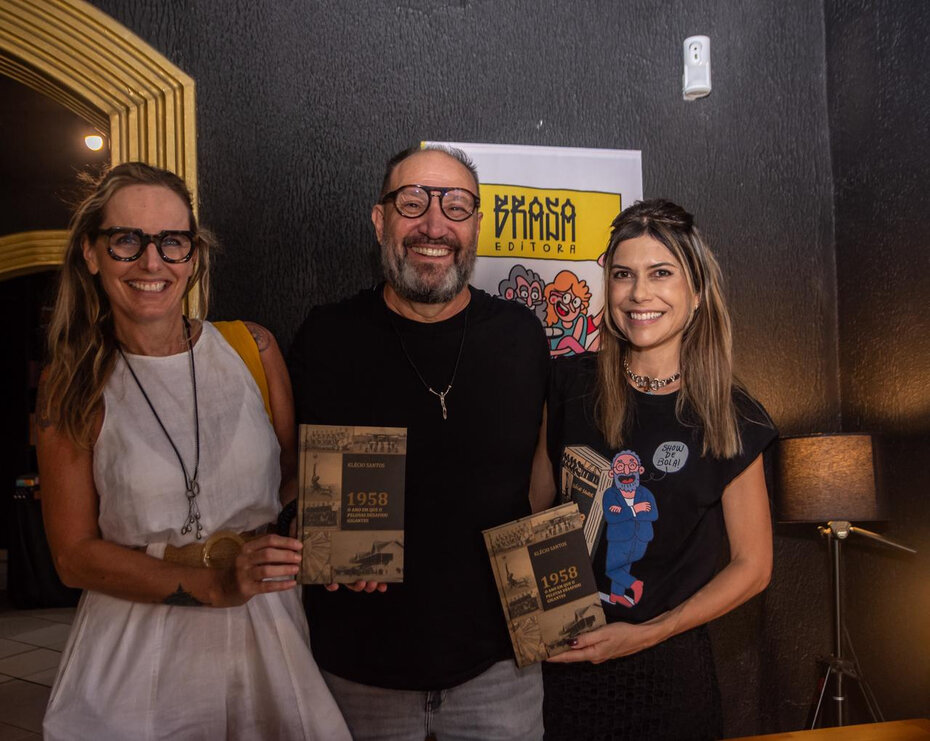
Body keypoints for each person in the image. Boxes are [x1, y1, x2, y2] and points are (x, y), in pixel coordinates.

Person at [35, 162, 350, 740]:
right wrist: (211, 584)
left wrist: (333, 538)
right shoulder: (72, 380)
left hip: (265, 632)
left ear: (193, 255)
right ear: (90, 253)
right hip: (134, 648)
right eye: (126, 241)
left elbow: (290, 480)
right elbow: (73, 555)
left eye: (171, 242)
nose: (151, 263)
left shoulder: (251, 349)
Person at [288, 144, 550, 740]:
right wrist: (303, 526)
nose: (434, 225)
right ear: (380, 220)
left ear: (477, 225)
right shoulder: (327, 336)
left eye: (456, 206)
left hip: (500, 671)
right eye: (412, 204)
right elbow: (286, 477)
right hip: (357, 671)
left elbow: (539, 484)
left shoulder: (520, 336)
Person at [541, 199, 776, 739]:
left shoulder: (733, 416)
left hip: (670, 677)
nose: (638, 293)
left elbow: (754, 566)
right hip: (564, 667)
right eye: (624, 275)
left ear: (695, 292)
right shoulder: (568, 386)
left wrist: (646, 633)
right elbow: (535, 510)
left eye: (660, 274)